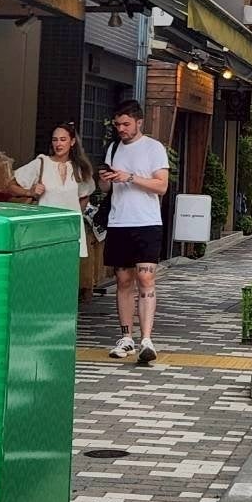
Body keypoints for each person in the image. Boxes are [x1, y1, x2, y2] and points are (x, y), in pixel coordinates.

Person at [101, 99, 169, 364]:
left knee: (146, 278)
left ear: (139, 122)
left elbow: (161, 186)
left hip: (147, 222)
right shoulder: (113, 148)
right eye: (118, 124)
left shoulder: (154, 148)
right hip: (119, 222)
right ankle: (126, 337)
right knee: (123, 281)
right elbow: (106, 189)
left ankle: (147, 339)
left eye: (126, 124)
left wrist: (129, 177)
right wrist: (105, 180)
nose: (121, 129)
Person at [13, 123, 94, 257]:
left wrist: (75, 216)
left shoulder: (80, 168)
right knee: (44, 265)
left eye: (63, 139)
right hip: (44, 228)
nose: (58, 144)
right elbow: (10, 186)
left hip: (70, 230)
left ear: (72, 142)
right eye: (55, 139)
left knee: (68, 267)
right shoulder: (41, 163)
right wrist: (29, 192)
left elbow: (85, 195)